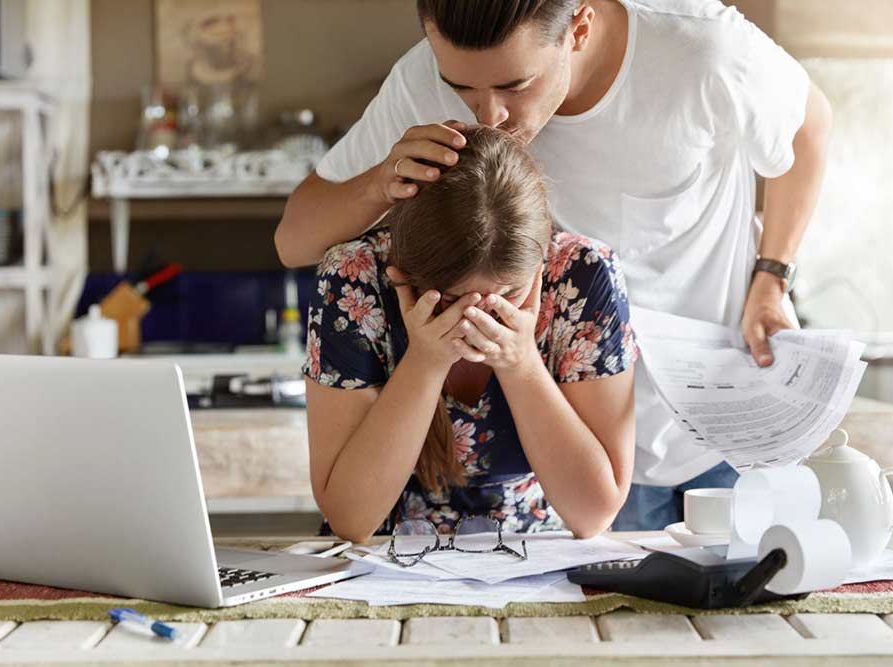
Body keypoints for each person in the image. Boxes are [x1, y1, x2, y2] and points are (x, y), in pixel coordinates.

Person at [280, 0, 832, 530]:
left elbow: (809, 128)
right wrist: (381, 180)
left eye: (515, 85)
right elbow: (294, 241)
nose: (489, 115)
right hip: (568, 437)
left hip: (714, 410)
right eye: (461, 88)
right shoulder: (427, 74)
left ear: (580, 29)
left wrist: (772, 276)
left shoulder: (703, 50)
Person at [303, 125, 638, 541]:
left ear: (539, 264)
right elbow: (351, 520)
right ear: (405, 273)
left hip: (534, 551)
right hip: (388, 553)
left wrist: (521, 364)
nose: (477, 316)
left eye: (506, 295)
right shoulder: (354, 275)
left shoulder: (583, 272)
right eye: (452, 297)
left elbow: (593, 514)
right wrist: (425, 363)